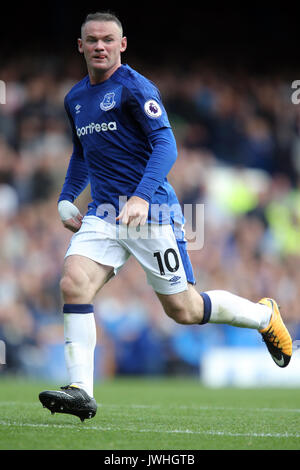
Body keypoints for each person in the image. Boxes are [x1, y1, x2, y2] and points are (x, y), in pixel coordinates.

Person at [39, 12, 292, 422]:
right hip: (103, 214)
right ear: (80, 46)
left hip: (151, 212)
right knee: (73, 283)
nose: (100, 46)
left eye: (108, 39)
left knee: (185, 310)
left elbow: (166, 145)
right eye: (92, 40)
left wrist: (140, 197)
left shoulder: (135, 88)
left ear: (122, 45)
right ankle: (82, 391)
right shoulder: (75, 99)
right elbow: (81, 153)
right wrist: (67, 196)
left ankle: (265, 316)